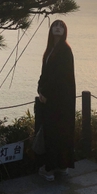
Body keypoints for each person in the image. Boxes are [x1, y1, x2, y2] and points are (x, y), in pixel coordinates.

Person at [36, 19, 76, 181]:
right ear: (51, 30)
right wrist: (40, 89)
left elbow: (59, 77)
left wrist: (45, 92)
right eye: (55, 25)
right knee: (56, 132)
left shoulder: (65, 50)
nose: (58, 28)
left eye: (61, 26)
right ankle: (59, 167)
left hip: (60, 99)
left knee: (56, 132)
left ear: (65, 31)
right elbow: (45, 73)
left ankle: (52, 169)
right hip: (53, 97)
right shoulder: (50, 50)